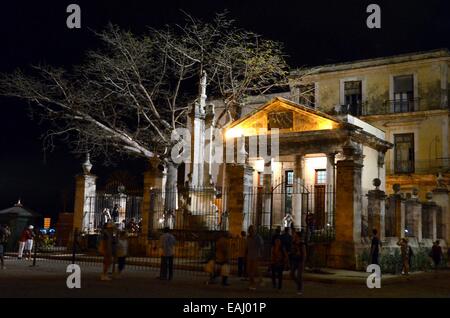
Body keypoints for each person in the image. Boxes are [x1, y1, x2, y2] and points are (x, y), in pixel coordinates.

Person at [246, 225, 264, 290]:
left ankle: (252, 284)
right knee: (248, 270)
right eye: (250, 229)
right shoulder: (248, 237)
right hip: (249, 256)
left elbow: (261, 246)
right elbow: (247, 247)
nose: (251, 231)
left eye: (252, 230)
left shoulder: (258, 237)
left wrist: (261, 254)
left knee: (253, 271)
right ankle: (259, 280)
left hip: (255, 256)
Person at [291, 231, 307, 295]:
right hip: (295, 260)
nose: (294, 236)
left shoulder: (302, 244)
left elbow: (304, 254)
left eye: (295, 235)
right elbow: (292, 250)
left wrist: (303, 262)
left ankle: (299, 289)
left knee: (299, 276)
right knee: (291, 274)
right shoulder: (294, 242)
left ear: (298, 236)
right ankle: (299, 284)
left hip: (300, 261)